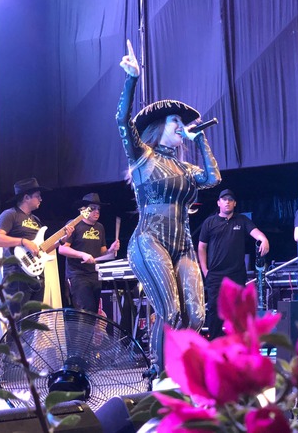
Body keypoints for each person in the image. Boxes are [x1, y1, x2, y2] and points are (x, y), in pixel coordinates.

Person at [116, 40, 221, 373]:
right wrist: (131, 79)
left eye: (181, 122)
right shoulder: (143, 158)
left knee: (196, 315)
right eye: (175, 121)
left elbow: (212, 177)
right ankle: (160, 374)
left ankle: (178, 370)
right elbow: (122, 122)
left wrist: (199, 137)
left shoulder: (186, 170)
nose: (180, 126)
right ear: (160, 128)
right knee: (171, 312)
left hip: (183, 246)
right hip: (150, 241)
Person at [0, 177, 74, 313]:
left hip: (36, 274)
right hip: (17, 273)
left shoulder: (36, 220)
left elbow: (41, 249)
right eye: (37, 196)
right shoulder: (10, 214)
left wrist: (61, 241)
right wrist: (23, 241)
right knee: (18, 322)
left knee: (32, 321)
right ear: (26, 197)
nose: (41, 199)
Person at [197, 189, 269, 340]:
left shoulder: (242, 220)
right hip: (215, 275)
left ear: (235, 203)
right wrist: (205, 271)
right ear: (219, 203)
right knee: (214, 312)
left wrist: (264, 239)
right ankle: (215, 345)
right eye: (224, 199)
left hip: (236, 274)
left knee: (238, 312)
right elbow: (201, 247)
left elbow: (256, 233)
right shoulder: (209, 222)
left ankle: (239, 344)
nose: (227, 202)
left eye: (230, 199)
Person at [58, 193, 120, 313]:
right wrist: (82, 254)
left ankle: (90, 333)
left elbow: (102, 253)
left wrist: (111, 250)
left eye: (98, 209)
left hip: (95, 275)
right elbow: (62, 249)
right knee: (84, 311)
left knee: (93, 314)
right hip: (78, 275)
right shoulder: (74, 224)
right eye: (93, 208)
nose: (97, 211)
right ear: (83, 209)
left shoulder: (100, 227)